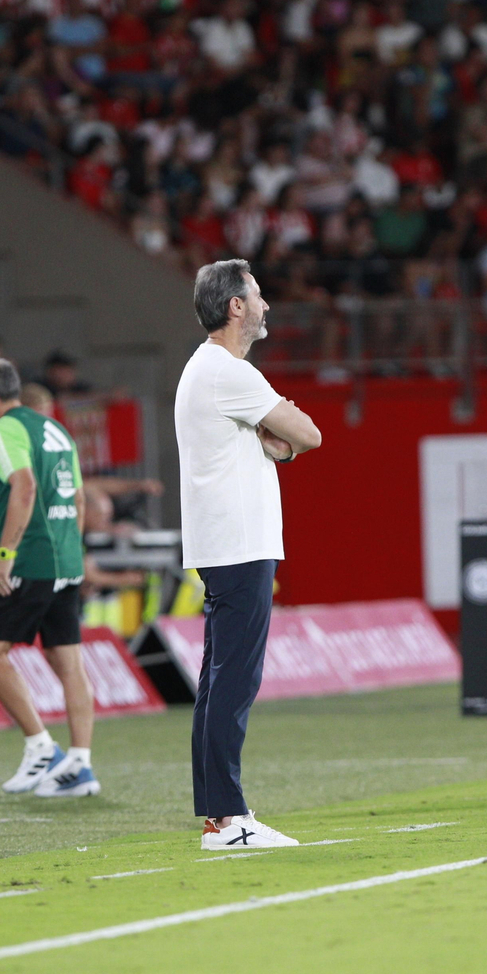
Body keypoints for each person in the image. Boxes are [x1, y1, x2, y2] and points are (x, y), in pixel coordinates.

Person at [176, 259, 321, 850]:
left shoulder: (206, 369)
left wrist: (276, 447)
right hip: (237, 543)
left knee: (219, 681)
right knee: (233, 680)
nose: (265, 305)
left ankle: (219, 812)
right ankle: (228, 819)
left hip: (225, 541)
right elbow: (310, 433)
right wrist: (282, 449)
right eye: (257, 295)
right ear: (235, 306)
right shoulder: (229, 372)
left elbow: (291, 438)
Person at [0, 357, 100, 799]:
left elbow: (24, 487)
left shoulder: (1, 431)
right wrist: (69, 552)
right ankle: (80, 764)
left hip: (30, 561)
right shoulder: (53, 428)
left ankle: (40, 746)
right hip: (66, 560)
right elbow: (79, 500)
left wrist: (5, 555)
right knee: (68, 662)